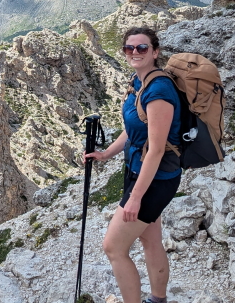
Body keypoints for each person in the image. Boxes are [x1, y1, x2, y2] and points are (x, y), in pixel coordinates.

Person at [84, 26, 182, 303]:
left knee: (113, 247)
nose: (135, 52)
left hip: (155, 179)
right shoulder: (138, 81)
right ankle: (158, 299)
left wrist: (135, 198)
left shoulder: (159, 90)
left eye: (142, 48)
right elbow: (134, 126)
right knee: (150, 241)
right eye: (130, 48)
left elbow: (157, 148)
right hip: (140, 172)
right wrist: (107, 154)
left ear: (155, 52)